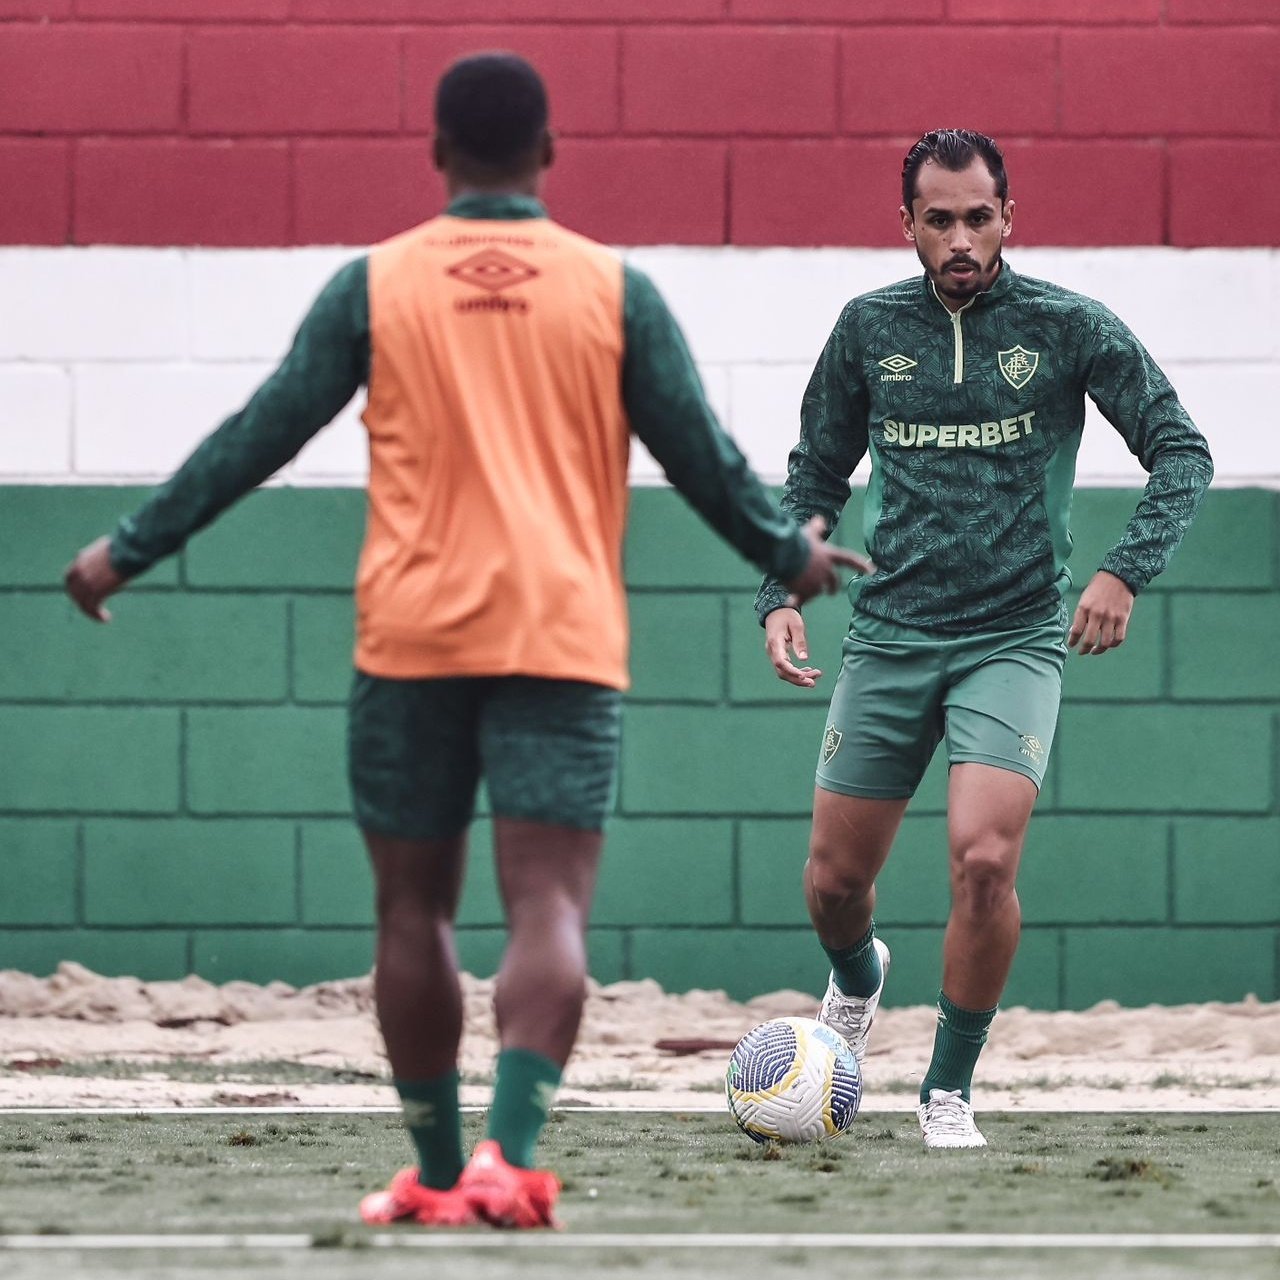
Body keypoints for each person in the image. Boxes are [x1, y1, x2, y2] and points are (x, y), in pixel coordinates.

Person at [63, 52, 866, 1226]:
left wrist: (123, 547)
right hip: (561, 638)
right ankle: (514, 1160)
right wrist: (788, 554)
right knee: (547, 910)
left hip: (411, 643)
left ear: (437, 155)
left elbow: (258, 435)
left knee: (411, 916)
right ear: (547, 155)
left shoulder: (374, 284)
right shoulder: (610, 288)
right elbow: (699, 457)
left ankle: (437, 1172)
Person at [756, 128, 1213, 1150]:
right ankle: (855, 978)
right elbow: (813, 476)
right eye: (938, 218)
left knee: (982, 858)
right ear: (907, 225)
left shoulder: (1064, 325)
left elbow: (1181, 452)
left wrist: (1118, 569)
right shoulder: (866, 328)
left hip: (1010, 637)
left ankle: (945, 1087)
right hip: (887, 635)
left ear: (1007, 217)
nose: (959, 236)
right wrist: (778, 591)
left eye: (977, 216)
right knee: (833, 882)